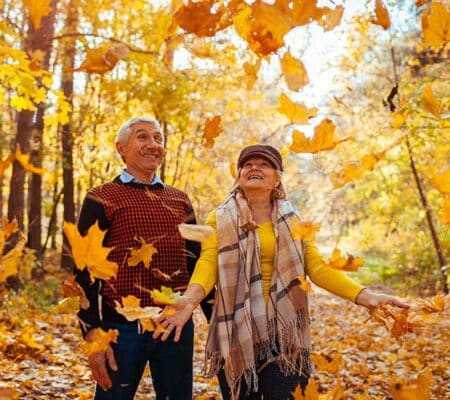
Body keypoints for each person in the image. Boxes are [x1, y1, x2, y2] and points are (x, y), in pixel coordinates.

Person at [154, 144, 408, 400]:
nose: (254, 167)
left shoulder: (293, 221)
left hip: (283, 332)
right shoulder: (219, 218)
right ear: (239, 175)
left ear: (277, 177)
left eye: (264, 164)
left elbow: (317, 268)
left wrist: (365, 296)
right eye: (247, 164)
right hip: (236, 331)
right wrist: (189, 299)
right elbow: (209, 262)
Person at [73, 116, 212, 400]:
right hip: (122, 329)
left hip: (174, 325)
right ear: (121, 148)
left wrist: (218, 323)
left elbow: (198, 265)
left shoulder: (181, 200)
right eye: (142, 137)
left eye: (158, 138)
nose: (153, 144)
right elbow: (83, 273)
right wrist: (94, 337)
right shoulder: (101, 198)